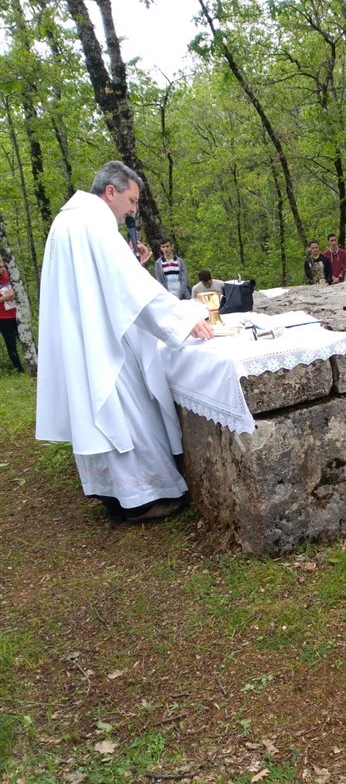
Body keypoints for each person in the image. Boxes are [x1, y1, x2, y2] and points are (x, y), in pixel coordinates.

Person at [35, 160, 213, 525]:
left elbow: (104, 285)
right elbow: (131, 289)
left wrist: (135, 265)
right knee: (130, 413)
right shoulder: (95, 223)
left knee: (96, 411)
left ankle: (112, 496)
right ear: (111, 192)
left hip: (83, 336)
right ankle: (142, 499)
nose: (133, 210)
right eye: (131, 201)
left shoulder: (67, 221)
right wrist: (186, 318)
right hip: (104, 343)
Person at [0, 256, 23, 372]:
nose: (3, 269)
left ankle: (38, 361)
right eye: (0, 267)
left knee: (26, 338)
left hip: (17, 314)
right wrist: (4, 298)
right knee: (11, 345)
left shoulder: (8, 275)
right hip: (3, 319)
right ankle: (19, 370)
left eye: (3, 265)